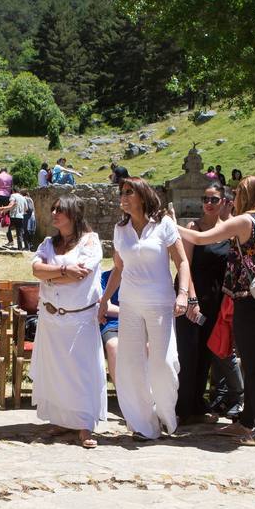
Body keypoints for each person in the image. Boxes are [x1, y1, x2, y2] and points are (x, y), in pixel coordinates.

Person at [178, 176, 255, 445]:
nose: (236, 196)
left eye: (239, 192)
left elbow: (199, 237)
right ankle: (249, 421)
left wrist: (169, 224)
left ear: (249, 195)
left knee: (252, 368)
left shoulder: (245, 221)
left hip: (249, 300)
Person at [99, 178, 192, 441]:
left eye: (129, 192)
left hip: (161, 303)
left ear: (142, 195)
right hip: (129, 304)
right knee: (131, 365)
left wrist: (183, 294)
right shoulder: (121, 229)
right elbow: (118, 268)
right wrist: (105, 301)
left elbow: (182, 261)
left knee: (162, 364)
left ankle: (166, 416)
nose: (124, 197)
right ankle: (143, 424)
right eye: (121, 193)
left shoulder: (164, 224)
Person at [31, 196, 106, 448]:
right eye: (52, 208)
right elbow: (36, 270)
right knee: (57, 371)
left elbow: (80, 274)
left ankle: (85, 424)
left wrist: (49, 275)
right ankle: (63, 419)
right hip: (51, 317)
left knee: (80, 371)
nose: (53, 213)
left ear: (73, 214)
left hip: (79, 317)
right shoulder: (48, 243)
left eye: (59, 210)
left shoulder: (91, 241)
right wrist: (62, 272)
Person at [176, 182, 243, 423]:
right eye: (205, 198)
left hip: (216, 300)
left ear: (225, 202)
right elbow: (184, 266)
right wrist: (191, 299)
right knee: (188, 352)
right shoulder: (193, 227)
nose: (209, 203)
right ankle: (182, 407)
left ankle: (197, 403)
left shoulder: (229, 230)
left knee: (206, 352)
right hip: (193, 297)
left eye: (214, 199)